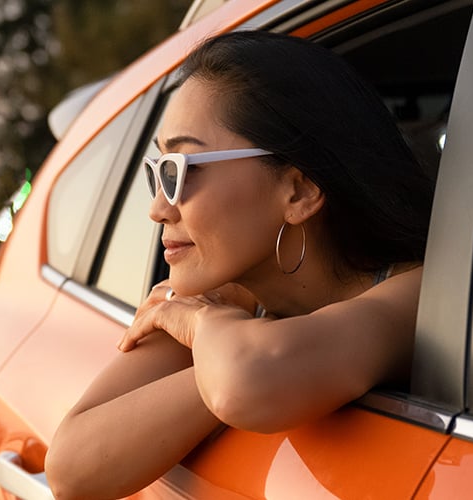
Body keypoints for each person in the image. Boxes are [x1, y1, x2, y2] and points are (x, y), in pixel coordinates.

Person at [45, 30, 435, 499]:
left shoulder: (417, 296)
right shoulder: (227, 296)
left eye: (183, 171)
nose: (158, 208)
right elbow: (71, 468)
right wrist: (221, 335)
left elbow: (243, 381)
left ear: (299, 191)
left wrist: (202, 327)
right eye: (158, 172)